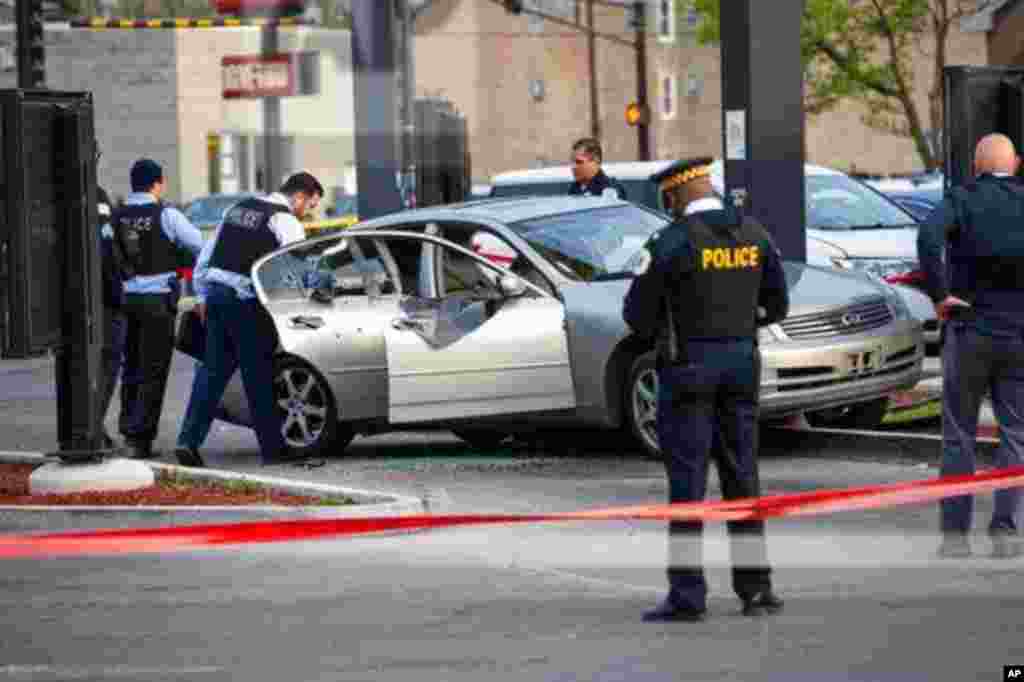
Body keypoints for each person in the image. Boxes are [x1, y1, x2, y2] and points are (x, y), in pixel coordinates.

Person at [622, 157, 789, 622]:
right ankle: (756, 589)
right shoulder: (754, 233)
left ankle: (688, 595)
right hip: (741, 366)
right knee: (743, 476)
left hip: (688, 369)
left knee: (687, 482)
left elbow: (636, 314)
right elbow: (777, 304)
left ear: (674, 196)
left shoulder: (671, 241)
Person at [917, 132, 1024, 560]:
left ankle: (955, 536)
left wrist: (941, 294)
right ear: (1014, 164)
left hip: (970, 330)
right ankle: (1004, 528)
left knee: (958, 434)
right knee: (1015, 433)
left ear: (977, 166)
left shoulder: (961, 200)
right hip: (1019, 334)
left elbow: (928, 239)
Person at [175, 171, 325, 468]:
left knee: (211, 374)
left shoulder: (238, 209)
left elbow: (206, 256)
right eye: (310, 206)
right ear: (299, 196)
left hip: (217, 297)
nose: (307, 213)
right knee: (258, 376)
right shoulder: (285, 221)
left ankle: (187, 441)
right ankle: (273, 451)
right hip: (246, 302)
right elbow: (293, 269)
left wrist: (203, 297)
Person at [112, 159, 204, 460]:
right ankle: (141, 439)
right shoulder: (167, 215)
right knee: (153, 371)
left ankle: (128, 430)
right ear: (158, 182)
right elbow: (200, 245)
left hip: (125, 300)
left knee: (131, 368)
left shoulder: (117, 216)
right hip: (157, 300)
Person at [96, 186, 127, 451]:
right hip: (103, 300)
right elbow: (106, 245)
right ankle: (92, 426)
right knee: (108, 361)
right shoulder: (95, 195)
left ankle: (89, 425)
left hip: (67, 298)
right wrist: (117, 293)